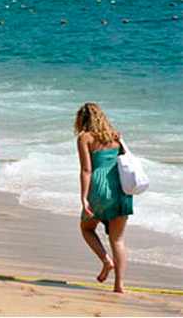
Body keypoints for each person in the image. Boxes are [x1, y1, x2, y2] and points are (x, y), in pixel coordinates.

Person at [74, 103, 131, 293]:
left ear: (82, 120)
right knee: (118, 239)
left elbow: (86, 170)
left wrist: (84, 198)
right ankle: (119, 285)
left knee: (87, 228)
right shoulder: (116, 136)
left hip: (99, 188)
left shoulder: (84, 138)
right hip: (121, 189)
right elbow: (125, 161)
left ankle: (106, 261)